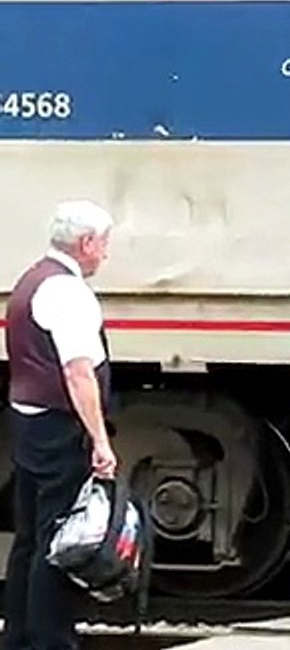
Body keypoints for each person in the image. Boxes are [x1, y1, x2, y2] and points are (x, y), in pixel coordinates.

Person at [4, 199, 118, 650]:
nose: (105, 255)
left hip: (29, 423)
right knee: (60, 539)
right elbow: (78, 371)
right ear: (86, 242)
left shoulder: (31, 280)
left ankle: (19, 636)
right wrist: (100, 439)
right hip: (59, 428)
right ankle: (50, 639)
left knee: (29, 538)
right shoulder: (68, 292)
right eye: (104, 244)